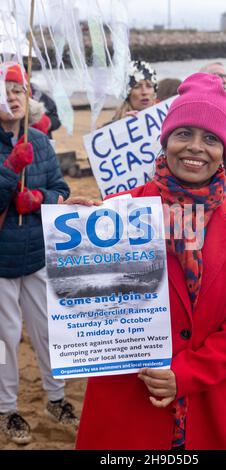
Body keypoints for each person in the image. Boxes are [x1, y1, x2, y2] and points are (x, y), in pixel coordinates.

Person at [75, 73, 226, 450]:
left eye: (211, 138)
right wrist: (71, 236)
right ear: (165, 141)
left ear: (225, 150)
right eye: (184, 134)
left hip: (210, 401)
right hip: (129, 400)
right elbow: (84, 302)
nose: (195, 147)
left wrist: (188, 374)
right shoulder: (116, 212)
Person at [0, 63, 79, 445]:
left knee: (49, 331)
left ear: (28, 96)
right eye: (4, 90)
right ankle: (7, 407)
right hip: (1, 262)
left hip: (37, 254)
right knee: (5, 337)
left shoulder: (40, 142)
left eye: (18, 89)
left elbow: (61, 189)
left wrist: (39, 200)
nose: (12, 96)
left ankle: (57, 397)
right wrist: (11, 168)